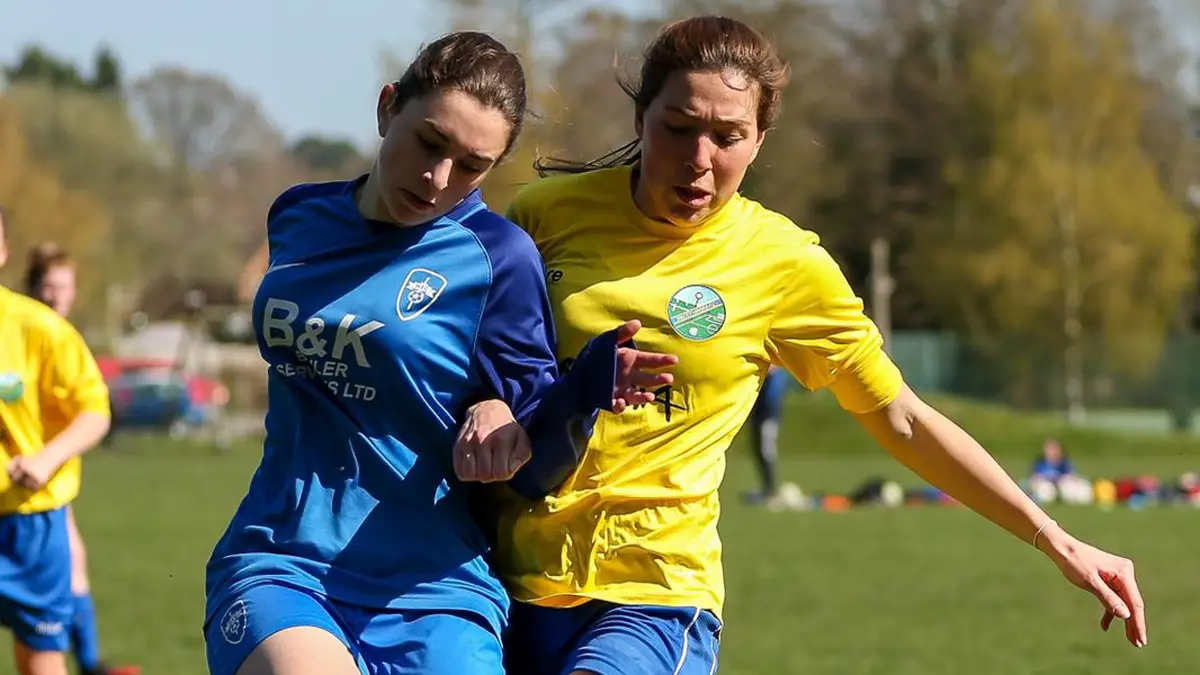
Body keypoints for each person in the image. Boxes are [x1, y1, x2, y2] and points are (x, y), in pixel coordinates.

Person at [459, 16, 1146, 675]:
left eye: (727, 136)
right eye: (679, 128)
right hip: (509, 575)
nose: (699, 159)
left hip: (657, 590)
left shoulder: (784, 265)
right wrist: (489, 402)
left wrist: (1053, 535)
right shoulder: (545, 216)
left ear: (759, 141)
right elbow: (468, 353)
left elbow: (900, 415)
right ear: (641, 118)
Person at [203, 31, 677, 675]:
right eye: (429, 141)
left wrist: (576, 391)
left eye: (472, 165)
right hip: (284, 560)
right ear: (386, 107)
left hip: (436, 588)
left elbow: (532, 468)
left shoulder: (497, 259)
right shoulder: (296, 216)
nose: (437, 178)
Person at [0, 210, 114, 675]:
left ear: (3, 251)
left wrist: (46, 458)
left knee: (40, 655)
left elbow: (94, 411)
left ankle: (90, 662)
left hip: (27, 524)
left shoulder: (40, 329)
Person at [25, 244, 140, 675]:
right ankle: (88, 663)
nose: (56, 295)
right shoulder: (23, 333)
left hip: (49, 479)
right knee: (54, 581)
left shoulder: (64, 339)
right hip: (23, 482)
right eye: (48, 286)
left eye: (64, 287)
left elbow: (91, 408)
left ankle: (89, 663)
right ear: (33, 288)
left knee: (72, 563)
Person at [742, 365, 804, 509]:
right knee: (758, 449)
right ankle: (767, 488)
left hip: (769, 416)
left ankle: (770, 490)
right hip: (758, 415)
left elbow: (774, 397)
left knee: (766, 450)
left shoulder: (777, 374)